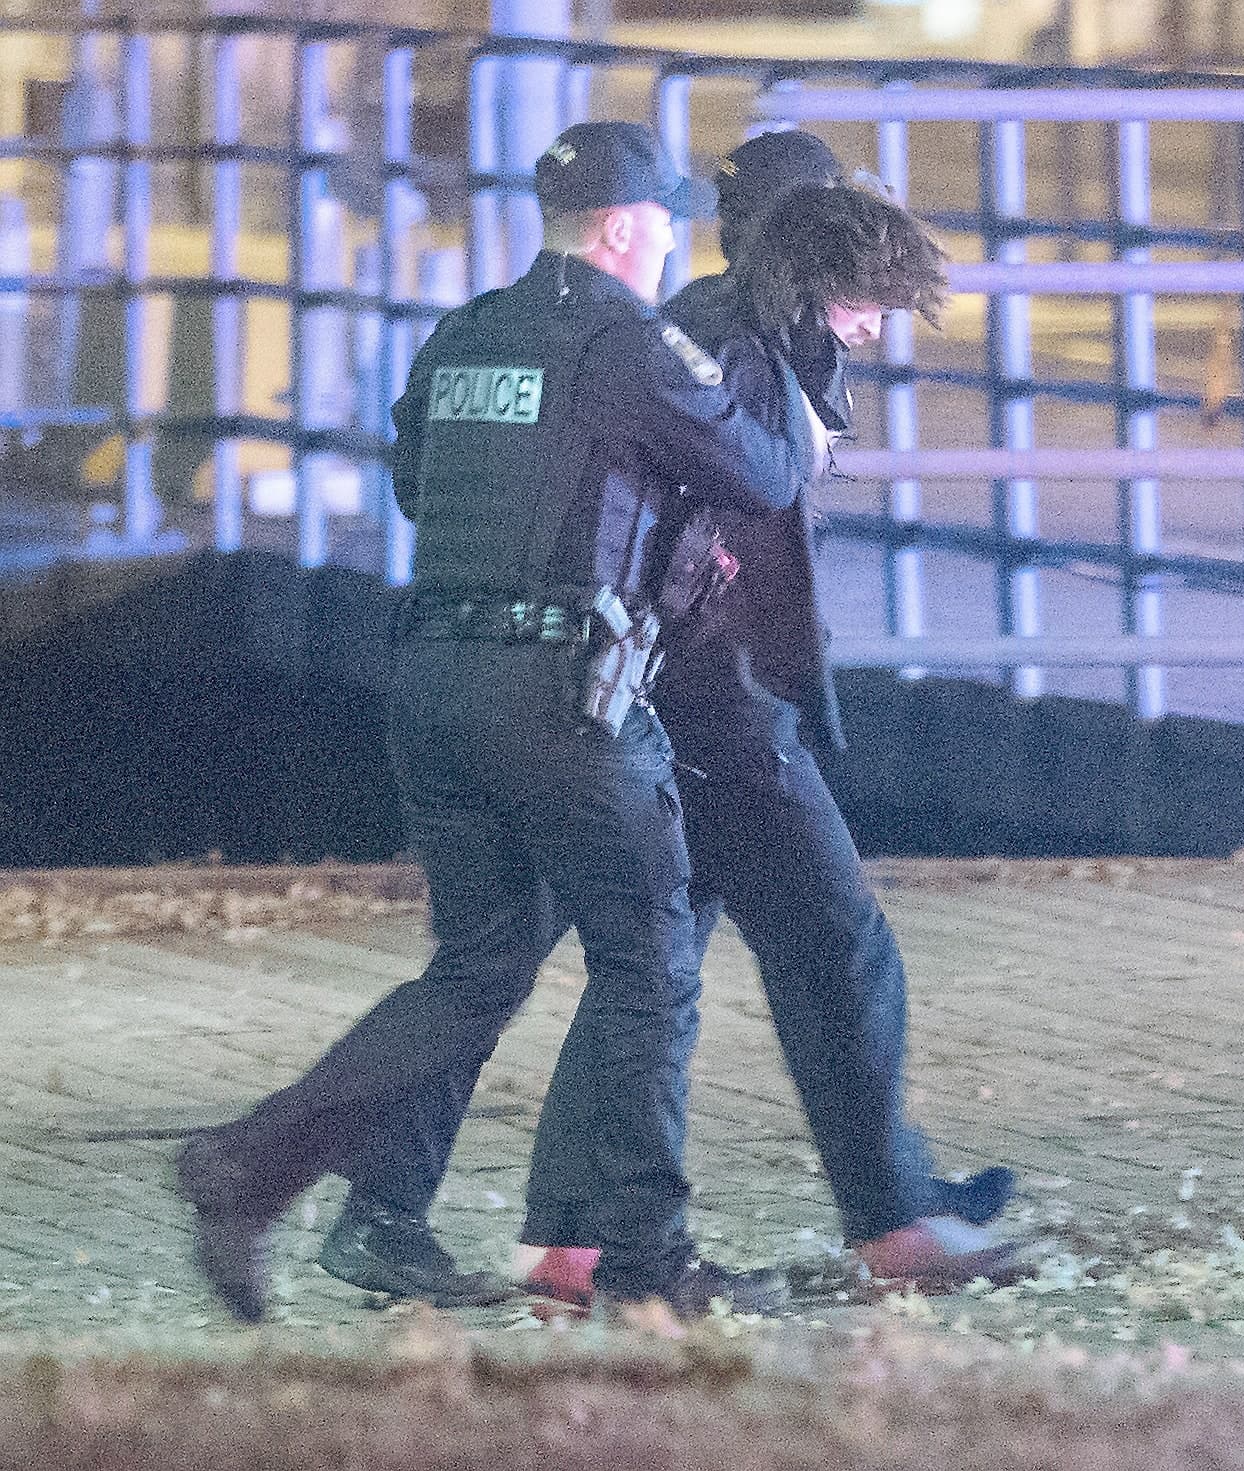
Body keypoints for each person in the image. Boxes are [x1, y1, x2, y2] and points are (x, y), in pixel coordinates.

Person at [175, 121, 794, 1324]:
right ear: (624, 228)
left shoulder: (466, 333)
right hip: (558, 693)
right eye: (663, 220)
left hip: (433, 682)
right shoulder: (627, 343)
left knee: (478, 966)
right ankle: (647, 1261)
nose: (671, 240)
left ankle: (262, 1175)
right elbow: (762, 474)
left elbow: (420, 480)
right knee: (647, 960)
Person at [519, 137, 1036, 1305]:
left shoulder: (710, 324)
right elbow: (730, 518)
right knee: (838, 948)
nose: (870, 321)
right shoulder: (740, 345)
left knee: (648, 974)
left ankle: (568, 1239)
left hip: (665, 699)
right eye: (857, 286)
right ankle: (897, 1222)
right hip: (716, 708)